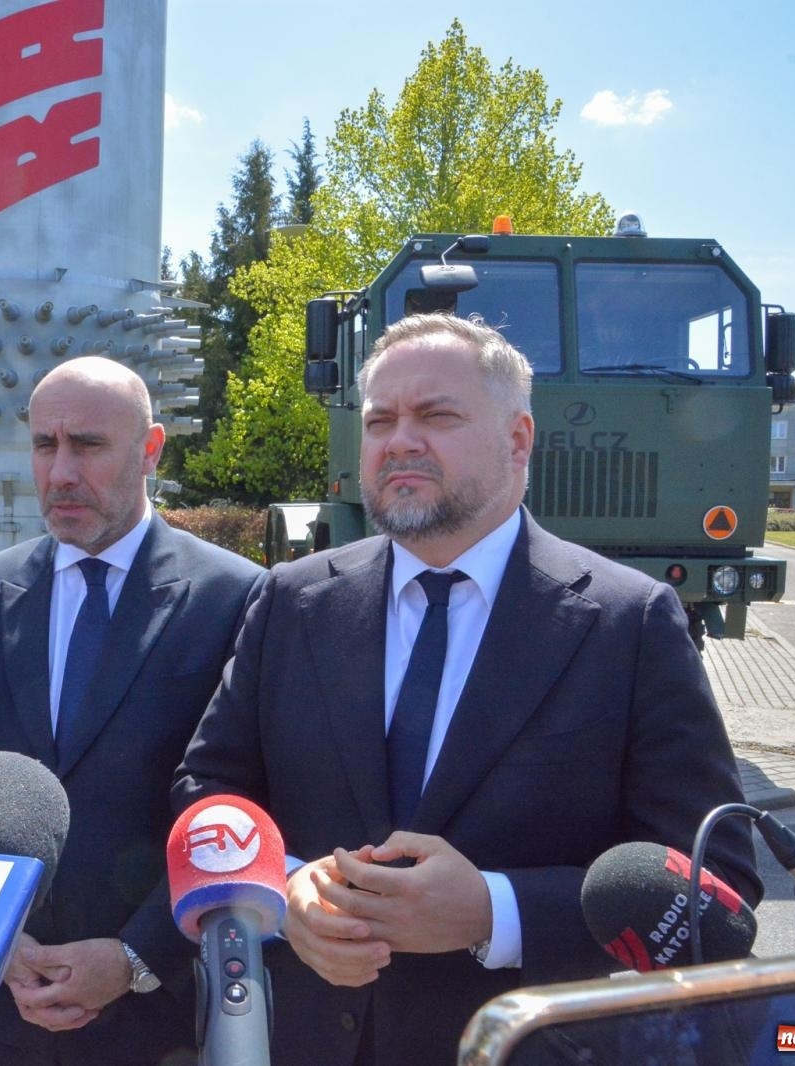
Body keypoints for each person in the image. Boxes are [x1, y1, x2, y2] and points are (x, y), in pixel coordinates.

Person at [173, 313, 763, 1065]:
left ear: (519, 440)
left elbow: (719, 890)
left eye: (437, 415)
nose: (400, 440)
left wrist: (496, 911)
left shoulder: (627, 623)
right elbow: (210, 787)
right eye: (380, 419)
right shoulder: (292, 599)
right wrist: (282, 894)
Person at [0, 356, 264, 1066]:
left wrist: (135, 955)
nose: (61, 471)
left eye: (89, 446)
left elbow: (247, 799)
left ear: (151, 449)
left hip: (165, 1013)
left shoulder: (237, 596)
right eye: (45, 444)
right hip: (17, 1003)